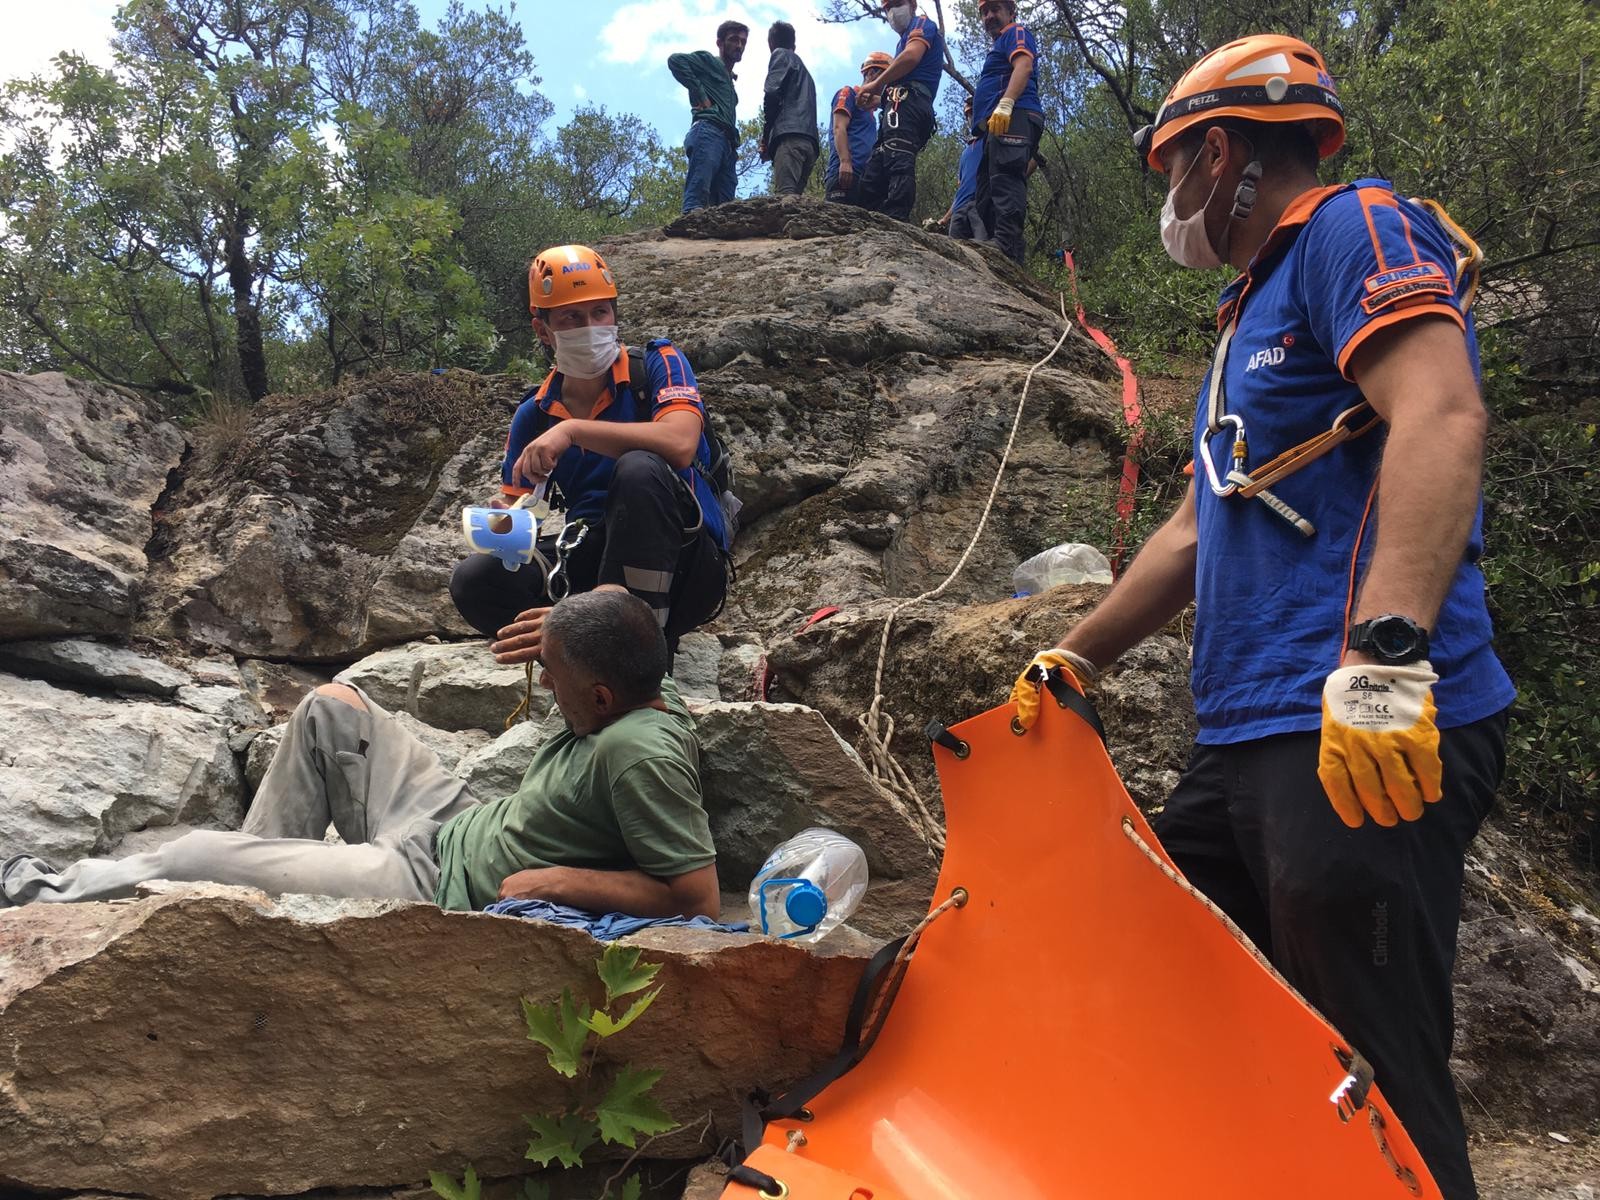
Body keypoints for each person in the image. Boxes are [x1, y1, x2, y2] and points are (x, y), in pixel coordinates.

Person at [1012, 34, 1512, 1200]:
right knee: (1169, 982)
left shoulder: (1356, 228)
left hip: (1355, 726)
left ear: (1218, 152)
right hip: (1248, 738)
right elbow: (1195, 527)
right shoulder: (1247, 315)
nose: (1170, 205)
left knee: (1369, 1071)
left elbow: (1439, 413)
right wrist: (1069, 656)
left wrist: (1386, 656)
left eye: (1170, 171)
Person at [1, 591, 722, 919]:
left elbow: (696, 900)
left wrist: (563, 882)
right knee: (330, 707)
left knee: (187, 855)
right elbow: (616, 607)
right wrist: (567, 619)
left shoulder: (637, 754)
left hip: (431, 885)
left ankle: (31, 888)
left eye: (552, 677)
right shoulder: (644, 683)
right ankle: (241, 904)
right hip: (454, 822)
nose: (542, 684)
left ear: (600, 697)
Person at [450, 245, 730, 655]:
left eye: (600, 312)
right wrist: (504, 524)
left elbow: (681, 444)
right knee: (475, 580)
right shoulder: (535, 413)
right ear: (543, 330)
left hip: (680, 560)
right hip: (593, 554)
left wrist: (574, 431)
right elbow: (515, 507)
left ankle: (633, 643)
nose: (591, 326)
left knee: (639, 469)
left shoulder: (657, 365)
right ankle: (577, 640)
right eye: (571, 317)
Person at [853, 0, 944, 220]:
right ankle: (870, 217)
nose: (893, 11)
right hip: (899, 105)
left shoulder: (922, 24)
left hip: (910, 104)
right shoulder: (903, 40)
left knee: (898, 158)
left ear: (912, 4)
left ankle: (896, 219)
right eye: (887, 7)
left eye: (897, 3)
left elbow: (911, 57)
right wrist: (876, 99)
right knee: (877, 167)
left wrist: (877, 83)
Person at [970, 0, 1044, 262]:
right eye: (984, 12)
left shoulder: (1016, 32)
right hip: (996, 125)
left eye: (995, 9)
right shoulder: (998, 44)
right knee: (985, 192)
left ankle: (1005, 246)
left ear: (1011, 12)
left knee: (1005, 179)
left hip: (1016, 115)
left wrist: (1007, 102)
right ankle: (1006, 254)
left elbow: (1023, 65)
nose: (989, 16)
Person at [669, 21, 747, 213]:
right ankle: (688, 230)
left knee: (725, 207)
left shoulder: (730, 80)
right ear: (720, 43)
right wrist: (700, 94)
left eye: (743, 42)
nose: (739, 46)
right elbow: (675, 60)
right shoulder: (709, 61)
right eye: (734, 40)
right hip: (708, 131)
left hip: (727, 143)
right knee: (698, 195)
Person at [760, 21, 818, 196]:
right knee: (794, 201)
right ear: (794, 45)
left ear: (770, 43)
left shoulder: (780, 55)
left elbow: (771, 92)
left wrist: (765, 137)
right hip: (810, 142)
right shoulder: (806, 74)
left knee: (785, 199)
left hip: (789, 136)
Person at [825, 52, 889, 204]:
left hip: (864, 177)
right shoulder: (848, 94)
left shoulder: (871, 113)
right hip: (845, 172)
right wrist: (845, 162)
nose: (886, 85)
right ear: (871, 73)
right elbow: (839, 127)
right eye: (885, 78)